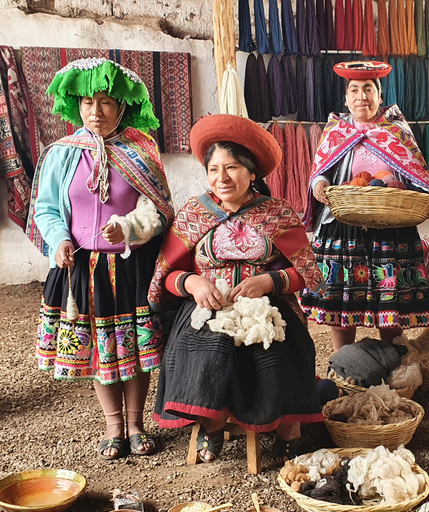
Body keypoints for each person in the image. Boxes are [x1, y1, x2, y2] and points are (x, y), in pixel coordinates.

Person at [149, 114, 325, 462]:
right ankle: (211, 426)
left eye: (231, 168)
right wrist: (193, 282)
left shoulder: (276, 213)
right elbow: (165, 275)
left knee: (283, 347)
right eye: (214, 169)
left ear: (252, 173)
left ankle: (288, 428)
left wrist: (269, 281)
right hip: (206, 306)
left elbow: (307, 272)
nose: (222, 178)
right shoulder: (194, 213)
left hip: (268, 305)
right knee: (208, 346)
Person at [26, 58, 174, 459]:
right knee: (100, 348)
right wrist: (57, 238)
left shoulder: (141, 150)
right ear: (76, 104)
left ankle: (138, 424)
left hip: (128, 266)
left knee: (134, 349)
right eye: (88, 101)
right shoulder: (61, 153)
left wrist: (127, 228)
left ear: (122, 105)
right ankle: (113, 427)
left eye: (106, 102)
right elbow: (45, 209)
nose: (96, 111)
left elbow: (158, 209)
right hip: (80, 269)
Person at [301, 61, 429, 352]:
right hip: (343, 222)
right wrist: (320, 186)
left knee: (391, 297)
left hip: (391, 224)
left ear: (380, 97)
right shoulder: (336, 131)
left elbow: (416, 172)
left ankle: (396, 362)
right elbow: (320, 170)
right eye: (354, 90)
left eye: (368, 89)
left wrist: (412, 193)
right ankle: (342, 361)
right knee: (344, 297)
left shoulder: (397, 131)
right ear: (346, 99)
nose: (362, 96)